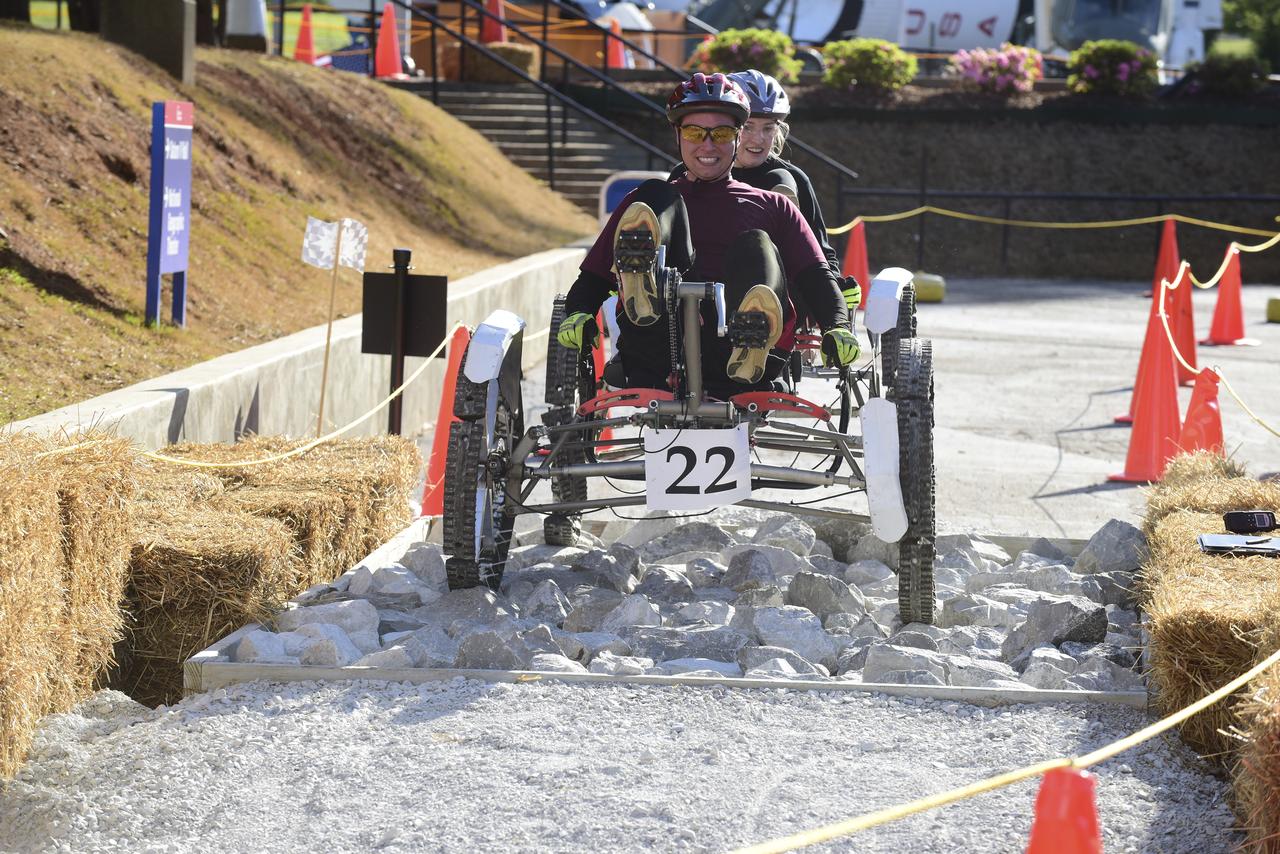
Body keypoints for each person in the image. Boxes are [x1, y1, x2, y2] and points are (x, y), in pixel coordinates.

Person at [556, 72, 858, 399]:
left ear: (738, 137)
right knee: (657, 195)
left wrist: (836, 325)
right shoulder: (649, 203)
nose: (708, 144)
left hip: (747, 363)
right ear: (678, 135)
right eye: (695, 132)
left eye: (722, 132)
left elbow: (815, 275)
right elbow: (595, 275)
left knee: (755, 244)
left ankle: (751, 333)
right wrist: (579, 311)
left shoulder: (774, 204)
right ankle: (643, 287)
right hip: (660, 345)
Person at [670, 69, 861, 319]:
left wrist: (834, 285)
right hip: (700, 288)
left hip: (774, 294)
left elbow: (818, 248)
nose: (758, 139)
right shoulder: (687, 172)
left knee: (781, 183)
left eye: (768, 128)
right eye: (749, 127)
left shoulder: (791, 179)